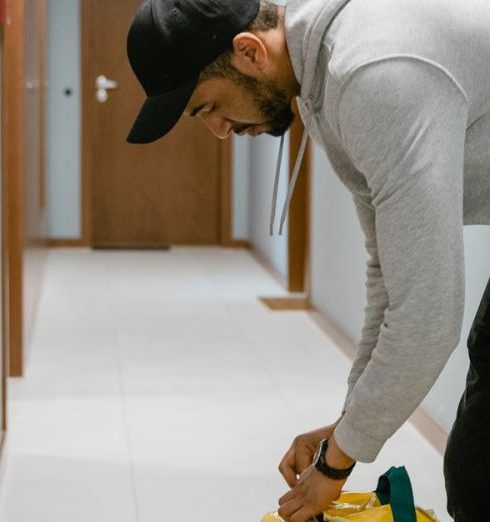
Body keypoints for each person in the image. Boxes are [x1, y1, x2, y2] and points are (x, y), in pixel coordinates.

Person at [126, 0, 490, 520]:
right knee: (477, 467)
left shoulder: (373, 73)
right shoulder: (322, 82)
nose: (220, 131)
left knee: (479, 470)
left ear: (249, 52)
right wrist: (346, 428)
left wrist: (336, 466)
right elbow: (388, 273)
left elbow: (427, 318)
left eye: (207, 107)